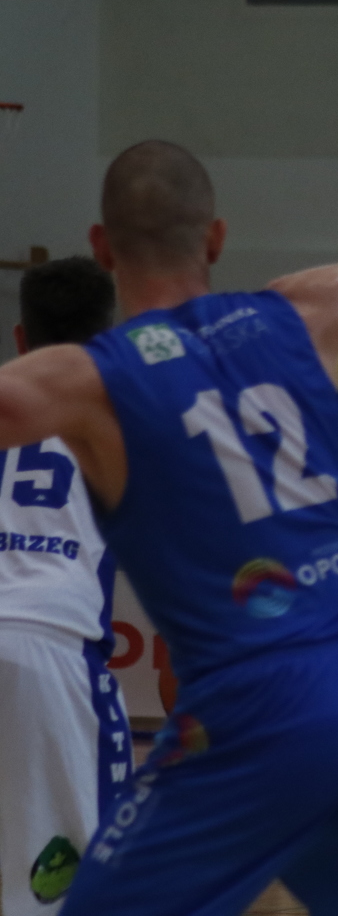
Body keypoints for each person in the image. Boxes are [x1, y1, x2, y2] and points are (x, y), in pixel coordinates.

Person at [5, 0, 338, 914]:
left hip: (262, 703)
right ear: (218, 236)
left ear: (101, 248)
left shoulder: (89, 379)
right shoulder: (302, 315)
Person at [0, 259, 132, 916]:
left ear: (21, 337)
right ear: (108, 334)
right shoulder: (128, 416)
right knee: (84, 882)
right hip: (53, 647)